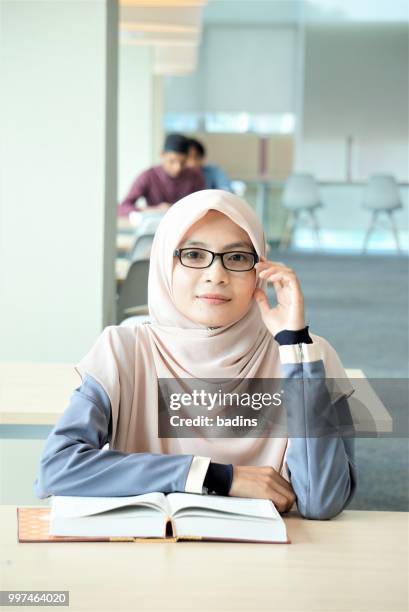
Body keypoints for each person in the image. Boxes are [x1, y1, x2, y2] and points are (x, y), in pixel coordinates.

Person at [34, 190, 357, 520]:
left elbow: (321, 501)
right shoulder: (124, 352)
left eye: (237, 258)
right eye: (193, 254)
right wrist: (215, 476)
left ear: (261, 270)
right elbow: (57, 468)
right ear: (164, 263)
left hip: (270, 562)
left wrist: (294, 347)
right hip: (149, 557)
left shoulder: (304, 356)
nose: (216, 274)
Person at [118, 133, 205, 217]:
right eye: (172, 161)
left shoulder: (195, 176)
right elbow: (122, 208)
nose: (177, 168)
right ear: (162, 155)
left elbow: (204, 205)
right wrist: (154, 210)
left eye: (183, 163)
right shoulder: (148, 176)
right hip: (154, 228)